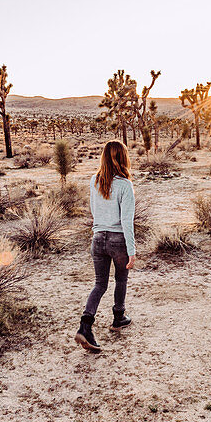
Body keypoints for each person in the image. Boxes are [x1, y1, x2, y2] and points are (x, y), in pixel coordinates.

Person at [76, 140, 136, 352]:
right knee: (121, 278)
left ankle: (85, 326)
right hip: (118, 240)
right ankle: (118, 317)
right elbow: (127, 221)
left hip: (98, 238)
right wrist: (132, 250)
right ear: (123, 158)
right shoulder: (125, 185)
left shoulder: (94, 180)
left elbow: (94, 210)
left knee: (100, 284)